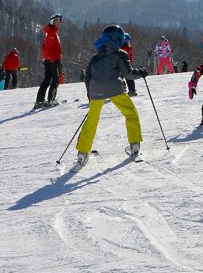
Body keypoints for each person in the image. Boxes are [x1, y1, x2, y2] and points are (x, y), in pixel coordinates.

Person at [71, 25, 149, 171]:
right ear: (117, 39)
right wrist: (142, 72)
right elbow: (128, 74)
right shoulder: (121, 54)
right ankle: (135, 147)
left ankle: (82, 154)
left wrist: (91, 97)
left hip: (95, 91)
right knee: (131, 114)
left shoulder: (95, 57)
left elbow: (88, 78)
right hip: (115, 89)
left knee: (91, 122)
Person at [35, 14, 64, 109]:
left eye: (61, 20)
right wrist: (54, 61)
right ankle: (51, 100)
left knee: (47, 80)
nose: (60, 22)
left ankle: (40, 101)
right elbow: (48, 49)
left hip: (48, 60)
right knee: (56, 79)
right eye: (57, 20)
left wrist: (45, 59)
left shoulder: (51, 32)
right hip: (53, 60)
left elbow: (45, 49)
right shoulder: (51, 33)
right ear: (52, 21)